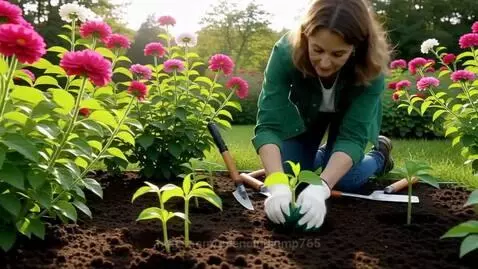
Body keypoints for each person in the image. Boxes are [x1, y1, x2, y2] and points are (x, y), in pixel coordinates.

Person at [251, 0, 394, 231]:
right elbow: (269, 124)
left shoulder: (371, 68)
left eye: (338, 54)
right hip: (306, 118)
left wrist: (323, 187)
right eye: (317, 50)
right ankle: (320, 156)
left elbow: (352, 137)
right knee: (289, 176)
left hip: (347, 122)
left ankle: (379, 156)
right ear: (306, 37)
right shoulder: (286, 52)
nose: (325, 63)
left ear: (356, 47)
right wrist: (276, 182)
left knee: (346, 181)